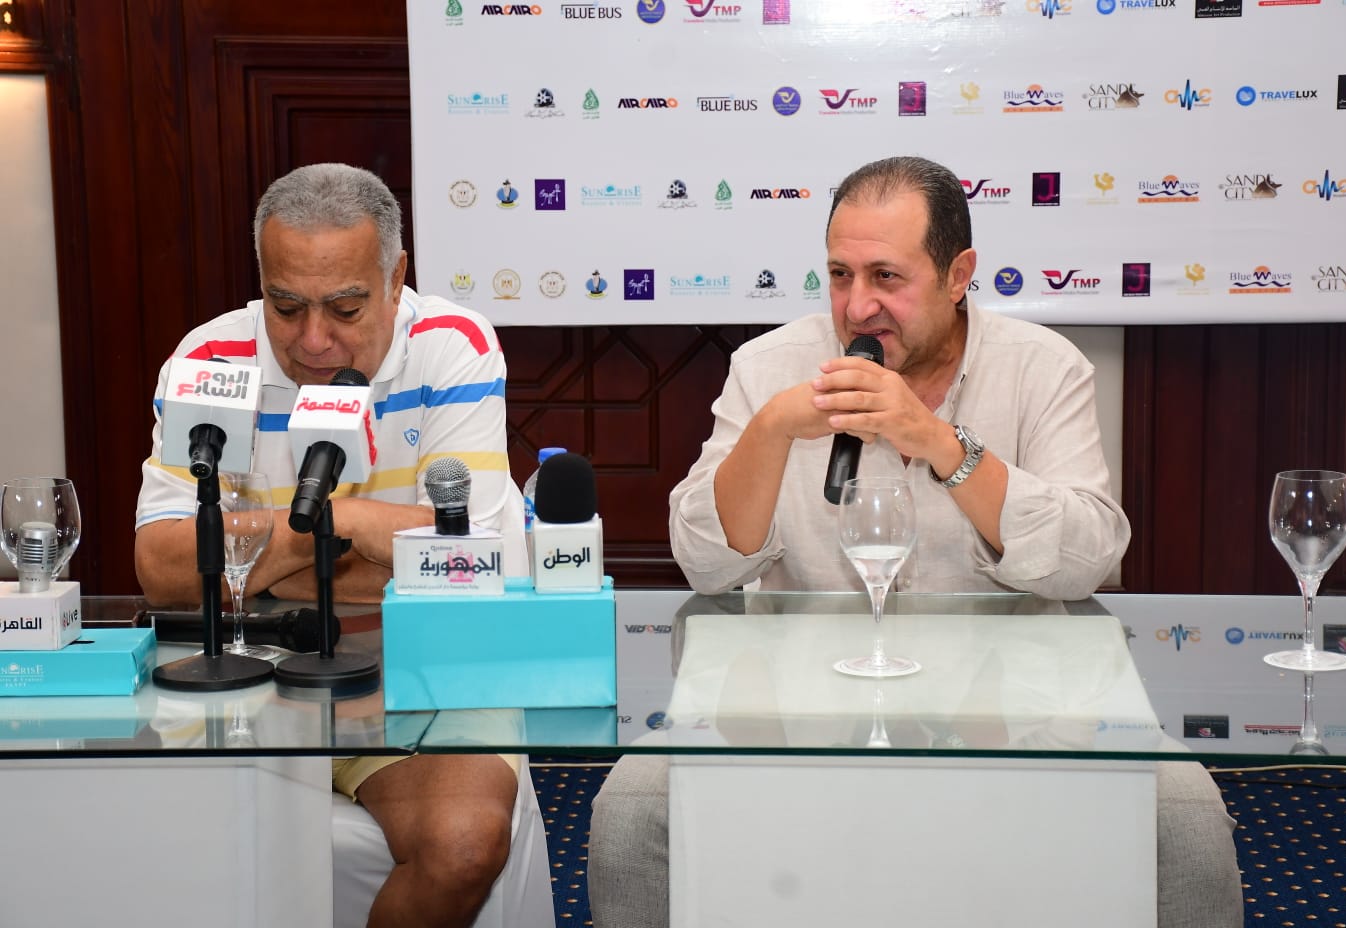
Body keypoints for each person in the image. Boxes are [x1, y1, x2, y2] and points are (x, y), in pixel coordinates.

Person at [588, 156, 1243, 928]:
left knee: (1187, 818)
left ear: (958, 274)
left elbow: (1087, 556)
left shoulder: (1043, 368)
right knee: (630, 813)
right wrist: (770, 431)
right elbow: (705, 563)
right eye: (839, 275)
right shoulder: (769, 368)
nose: (857, 306)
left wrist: (939, 442)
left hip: (1015, 702)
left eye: (886, 278)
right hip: (803, 697)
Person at [133, 163, 530, 928]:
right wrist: (339, 528)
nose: (314, 340)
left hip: (415, 677)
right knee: (149, 837)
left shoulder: (452, 347)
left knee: (464, 844)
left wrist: (261, 561)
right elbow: (163, 570)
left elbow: (465, 565)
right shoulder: (209, 360)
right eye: (285, 307)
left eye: (346, 308)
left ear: (396, 278)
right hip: (242, 680)